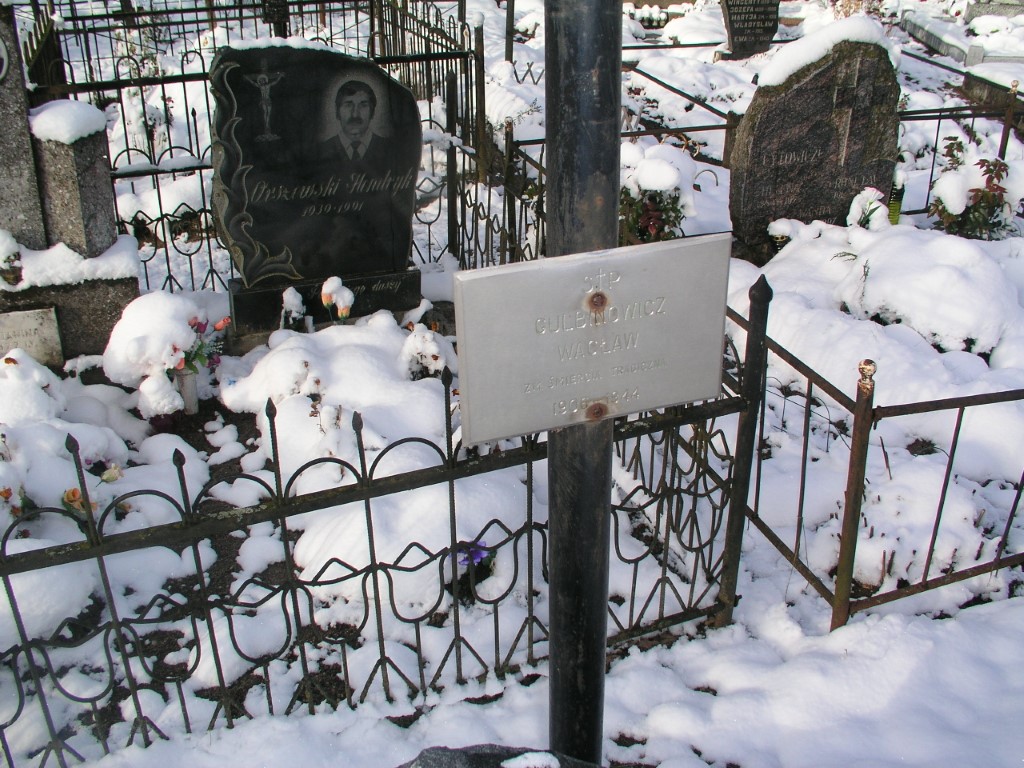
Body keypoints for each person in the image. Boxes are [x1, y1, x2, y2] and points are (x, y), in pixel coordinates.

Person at [319, 79, 389, 168]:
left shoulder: (391, 150)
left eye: (363, 105)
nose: (355, 114)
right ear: (337, 112)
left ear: (372, 112)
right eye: (348, 105)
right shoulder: (320, 152)